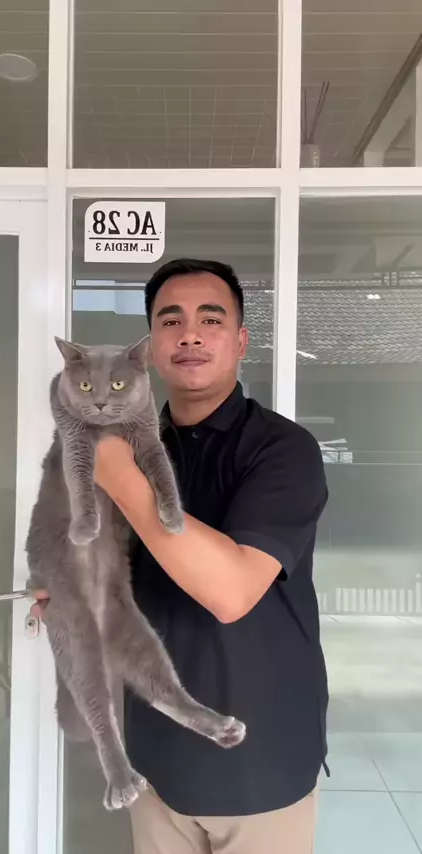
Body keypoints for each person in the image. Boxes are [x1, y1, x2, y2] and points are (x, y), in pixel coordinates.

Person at [32, 258, 329, 854]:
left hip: (262, 762)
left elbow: (232, 592)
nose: (189, 334)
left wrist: (119, 475)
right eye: (171, 321)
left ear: (240, 341)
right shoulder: (130, 442)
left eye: (210, 319)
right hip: (156, 763)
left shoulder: (282, 450)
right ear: (150, 349)